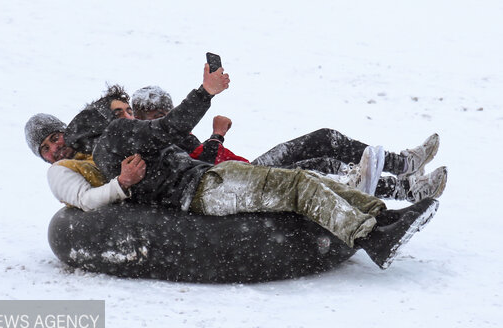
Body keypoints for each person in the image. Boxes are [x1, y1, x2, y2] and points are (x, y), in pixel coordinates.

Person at [82, 63, 440, 269]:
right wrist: (206, 94)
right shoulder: (120, 136)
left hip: (213, 179)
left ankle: (385, 217)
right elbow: (170, 130)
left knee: (306, 175)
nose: (128, 116)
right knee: (300, 184)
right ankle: (373, 237)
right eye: (122, 113)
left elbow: (168, 145)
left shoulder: (127, 144)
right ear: (106, 122)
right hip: (206, 187)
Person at [131, 85, 447, 203]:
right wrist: (217, 136)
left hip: (241, 171)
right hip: (233, 182)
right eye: (157, 114)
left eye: (167, 111)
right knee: (323, 142)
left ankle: (404, 186)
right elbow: (198, 171)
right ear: (143, 117)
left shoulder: (174, 133)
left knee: (327, 165)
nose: (166, 118)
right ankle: (402, 167)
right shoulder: (152, 145)